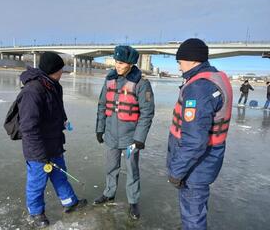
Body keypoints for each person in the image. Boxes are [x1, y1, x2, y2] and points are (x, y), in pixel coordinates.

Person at [166, 38, 233, 230]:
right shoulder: (215, 78)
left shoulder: (198, 88)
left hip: (195, 167)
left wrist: (176, 172)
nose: (179, 68)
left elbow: (195, 141)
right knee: (197, 209)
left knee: (193, 216)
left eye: (179, 62)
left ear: (192, 60)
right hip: (208, 161)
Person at [18, 52, 87, 228]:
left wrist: (64, 120)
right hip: (38, 149)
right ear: (52, 70)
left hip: (55, 143)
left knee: (60, 176)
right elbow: (28, 127)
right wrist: (39, 154)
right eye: (60, 69)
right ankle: (36, 213)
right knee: (37, 183)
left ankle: (70, 202)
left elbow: (57, 108)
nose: (62, 72)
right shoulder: (32, 91)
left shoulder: (55, 86)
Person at [94, 45, 155, 220]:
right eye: (116, 62)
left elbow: (147, 113)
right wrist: (100, 129)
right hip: (112, 135)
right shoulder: (110, 80)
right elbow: (101, 106)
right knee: (111, 167)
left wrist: (139, 139)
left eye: (121, 63)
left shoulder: (142, 84)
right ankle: (109, 193)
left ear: (130, 63)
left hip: (130, 139)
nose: (117, 65)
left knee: (132, 170)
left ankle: (133, 201)